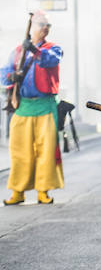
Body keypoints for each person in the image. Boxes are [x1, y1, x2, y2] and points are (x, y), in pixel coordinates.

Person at [1, 11, 64, 205]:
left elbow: (49, 60)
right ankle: (18, 192)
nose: (45, 28)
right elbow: (4, 74)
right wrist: (12, 78)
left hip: (45, 107)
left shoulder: (54, 49)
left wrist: (35, 51)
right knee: (20, 151)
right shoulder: (18, 51)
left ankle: (43, 191)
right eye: (41, 24)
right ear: (33, 27)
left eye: (47, 25)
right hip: (22, 107)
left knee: (45, 151)